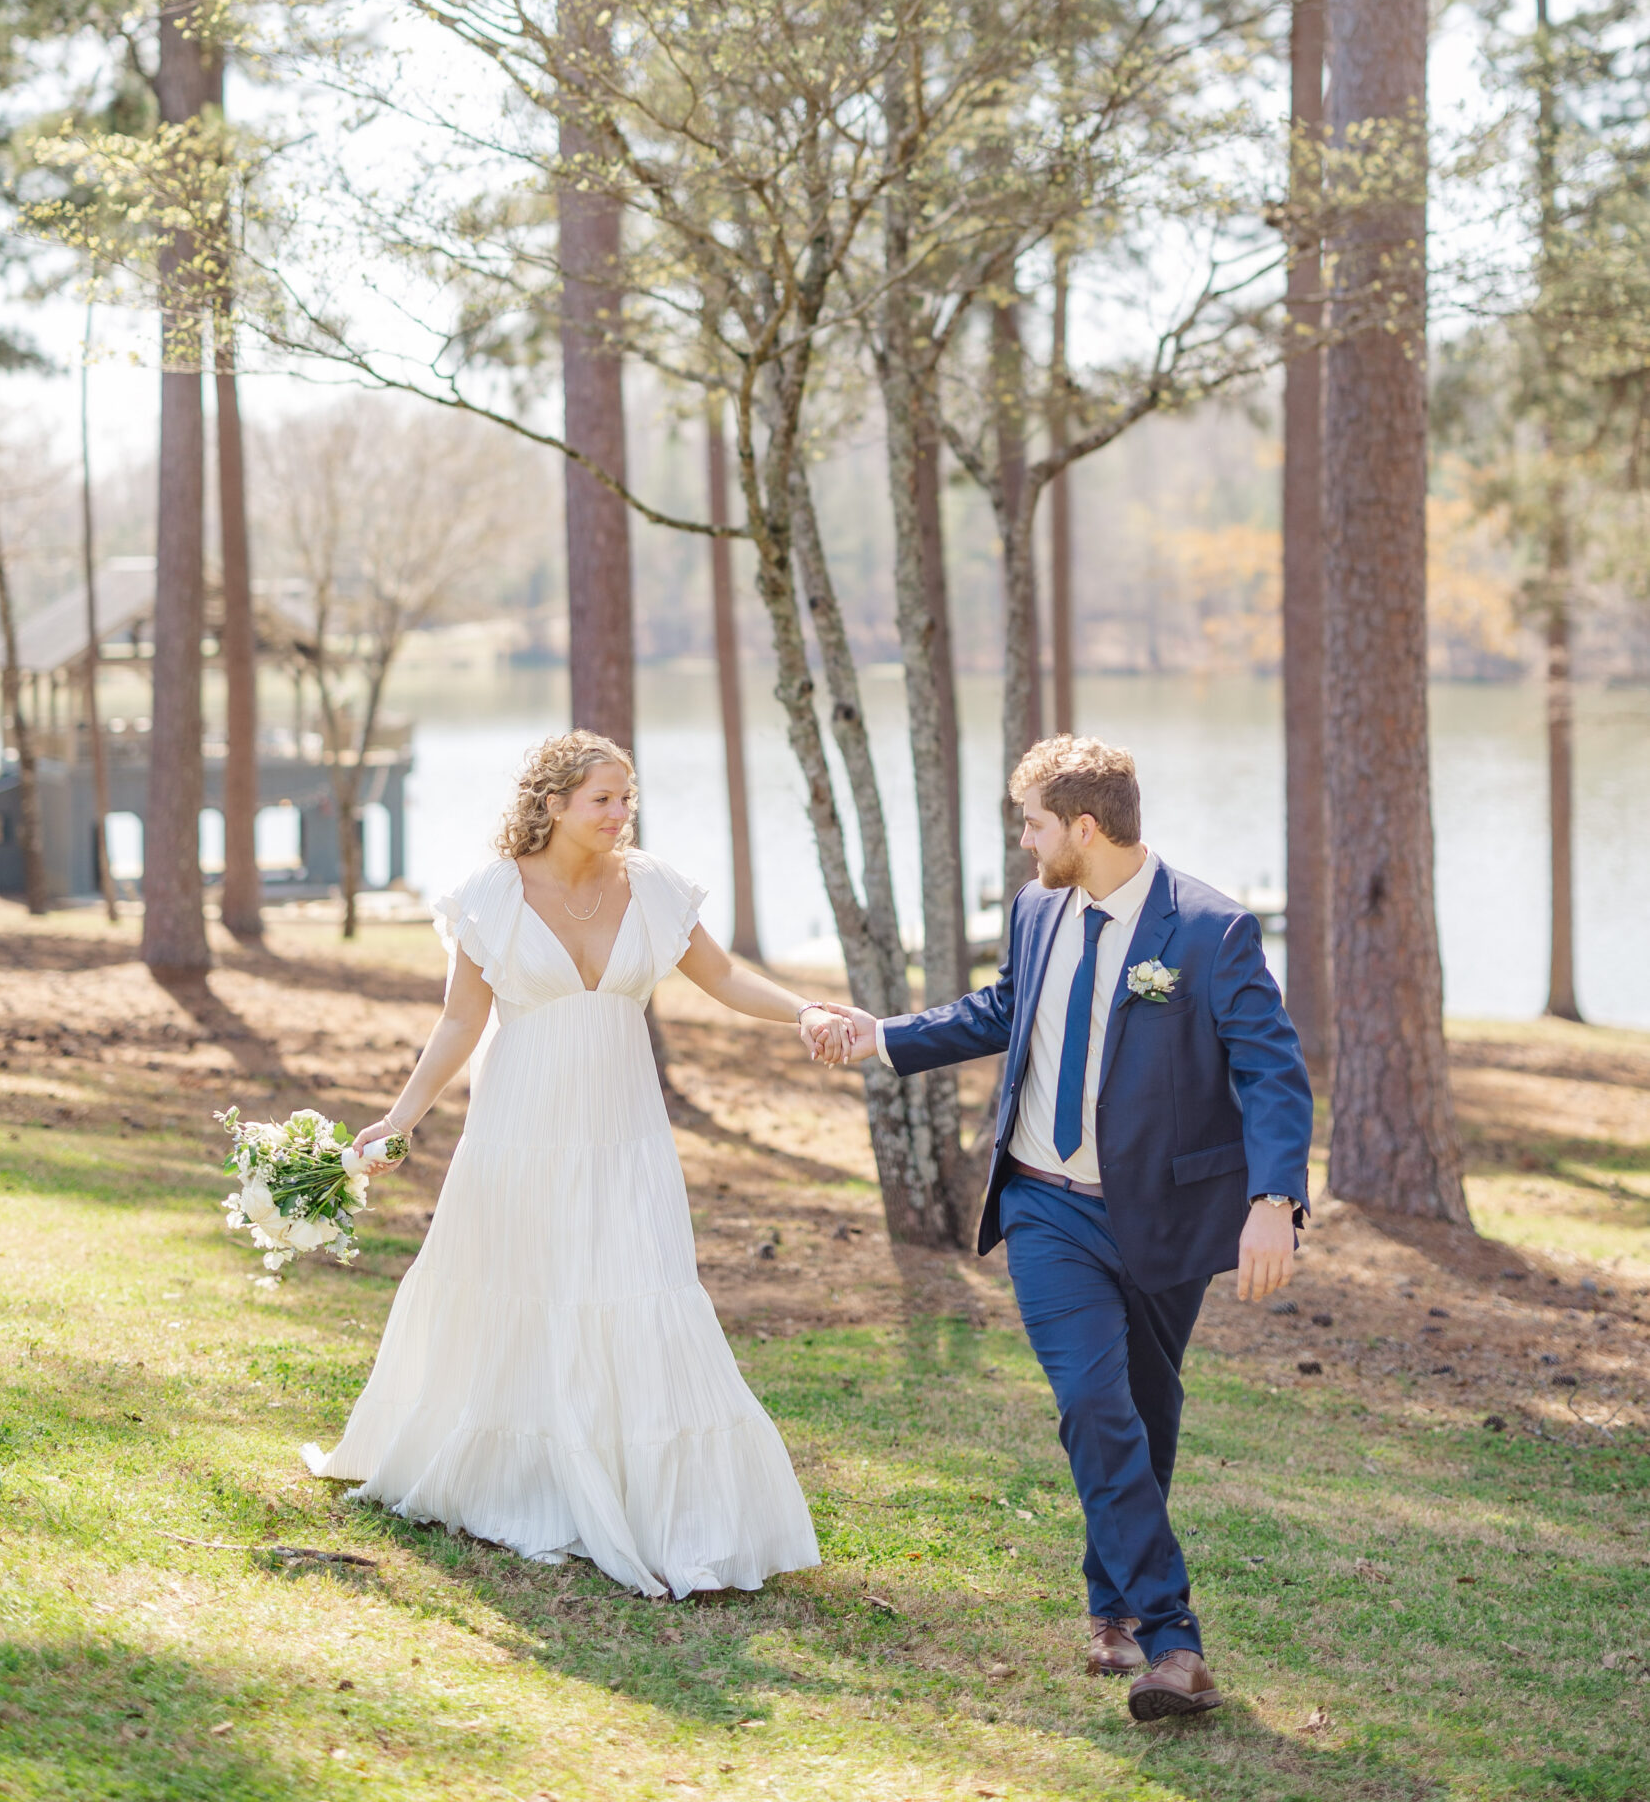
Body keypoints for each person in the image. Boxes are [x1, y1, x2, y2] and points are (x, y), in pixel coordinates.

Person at [820, 734, 1312, 1721]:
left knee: (1144, 1411)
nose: (1023, 840)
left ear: (1084, 828)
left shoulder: (1211, 931)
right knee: (1095, 1401)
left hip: (1166, 1217)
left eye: (1033, 823)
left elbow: (1271, 1071)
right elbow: (1009, 1006)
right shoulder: (1039, 907)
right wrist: (883, 1036)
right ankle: (1173, 1642)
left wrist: (1273, 1201)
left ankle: (1113, 1605)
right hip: (1046, 1204)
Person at [304, 729, 845, 1599]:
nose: (620, 813)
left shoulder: (655, 886)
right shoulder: (491, 895)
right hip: (519, 1128)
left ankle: (661, 1503)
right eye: (603, 798)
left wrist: (806, 1012)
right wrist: (399, 1121)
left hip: (624, 1130)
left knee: (640, 1282)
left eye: (627, 797)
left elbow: (725, 977)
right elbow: (458, 1023)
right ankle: (522, 1478)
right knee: (524, 1286)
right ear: (551, 805)